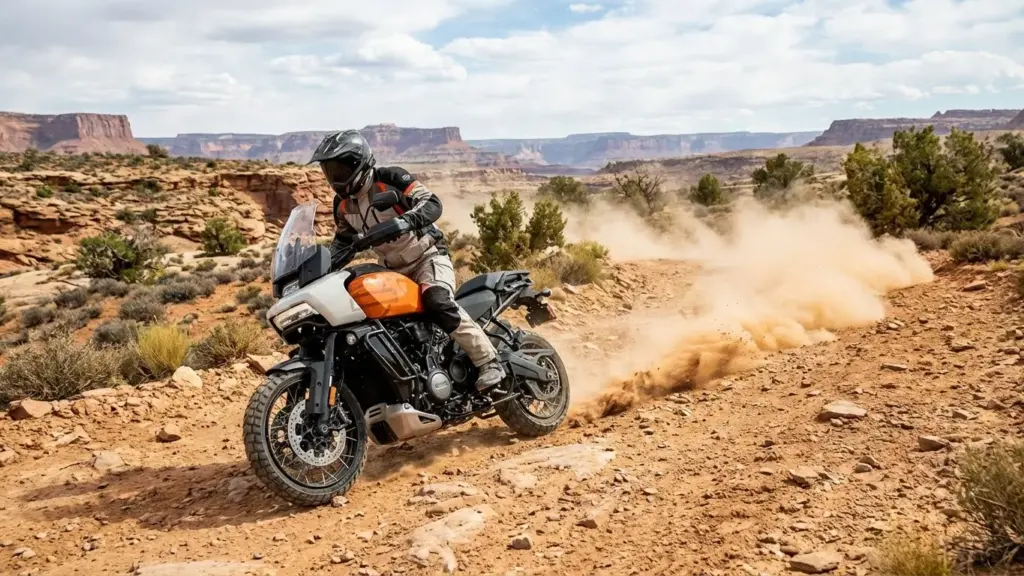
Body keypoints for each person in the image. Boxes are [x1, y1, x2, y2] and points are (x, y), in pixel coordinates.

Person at [310, 129, 507, 392]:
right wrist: (319, 267)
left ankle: (489, 361)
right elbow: (344, 241)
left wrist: (405, 221)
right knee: (370, 316)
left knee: (436, 299)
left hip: (428, 257)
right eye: (330, 170)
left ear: (358, 163)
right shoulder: (343, 205)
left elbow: (432, 203)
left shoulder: (389, 179)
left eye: (341, 168)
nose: (336, 177)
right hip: (393, 270)